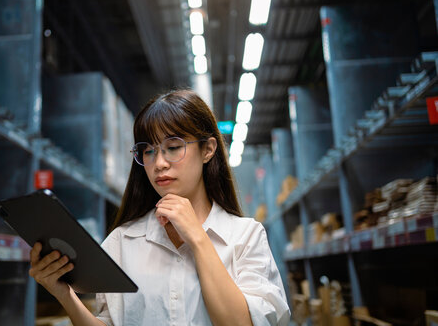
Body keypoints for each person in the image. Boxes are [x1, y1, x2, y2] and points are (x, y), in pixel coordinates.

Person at [29, 90, 290, 326]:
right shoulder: (122, 241)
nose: (159, 163)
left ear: (208, 149)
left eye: (173, 147)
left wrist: (198, 239)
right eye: (148, 151)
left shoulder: (245, 237)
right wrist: (64, 294)